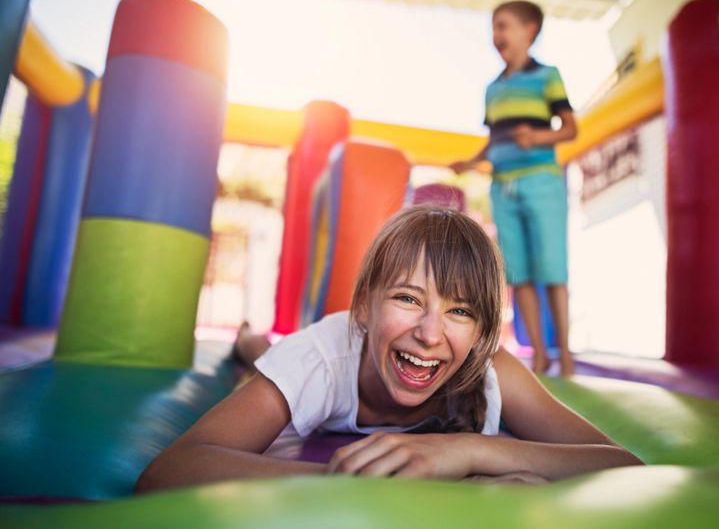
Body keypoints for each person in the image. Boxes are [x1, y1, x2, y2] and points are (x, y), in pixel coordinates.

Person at [135, 206, 640, 492]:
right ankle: (247, 338)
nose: (429, 332)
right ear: (363, 307)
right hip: (303, 349)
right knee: (259, 350)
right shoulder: (320, 358)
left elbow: (623, 465)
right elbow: (167, 472)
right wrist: (363, 477)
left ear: (483, 331)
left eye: (460, 312)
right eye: (406, 298)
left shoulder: (490, 369)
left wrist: (470, 450)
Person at [451, 0, 578, 376]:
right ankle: (539, 353)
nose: (497, 35)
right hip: (502, 187)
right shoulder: (492, 89)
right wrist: (472, 162)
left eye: (504, 26)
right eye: (494, 28)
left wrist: (537, 136)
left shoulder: (547, 76)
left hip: (542, 182)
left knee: (552, 268)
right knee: (517, 272)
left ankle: (566, 354)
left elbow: (570, 129)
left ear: (530, 30)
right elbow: (494, 140)